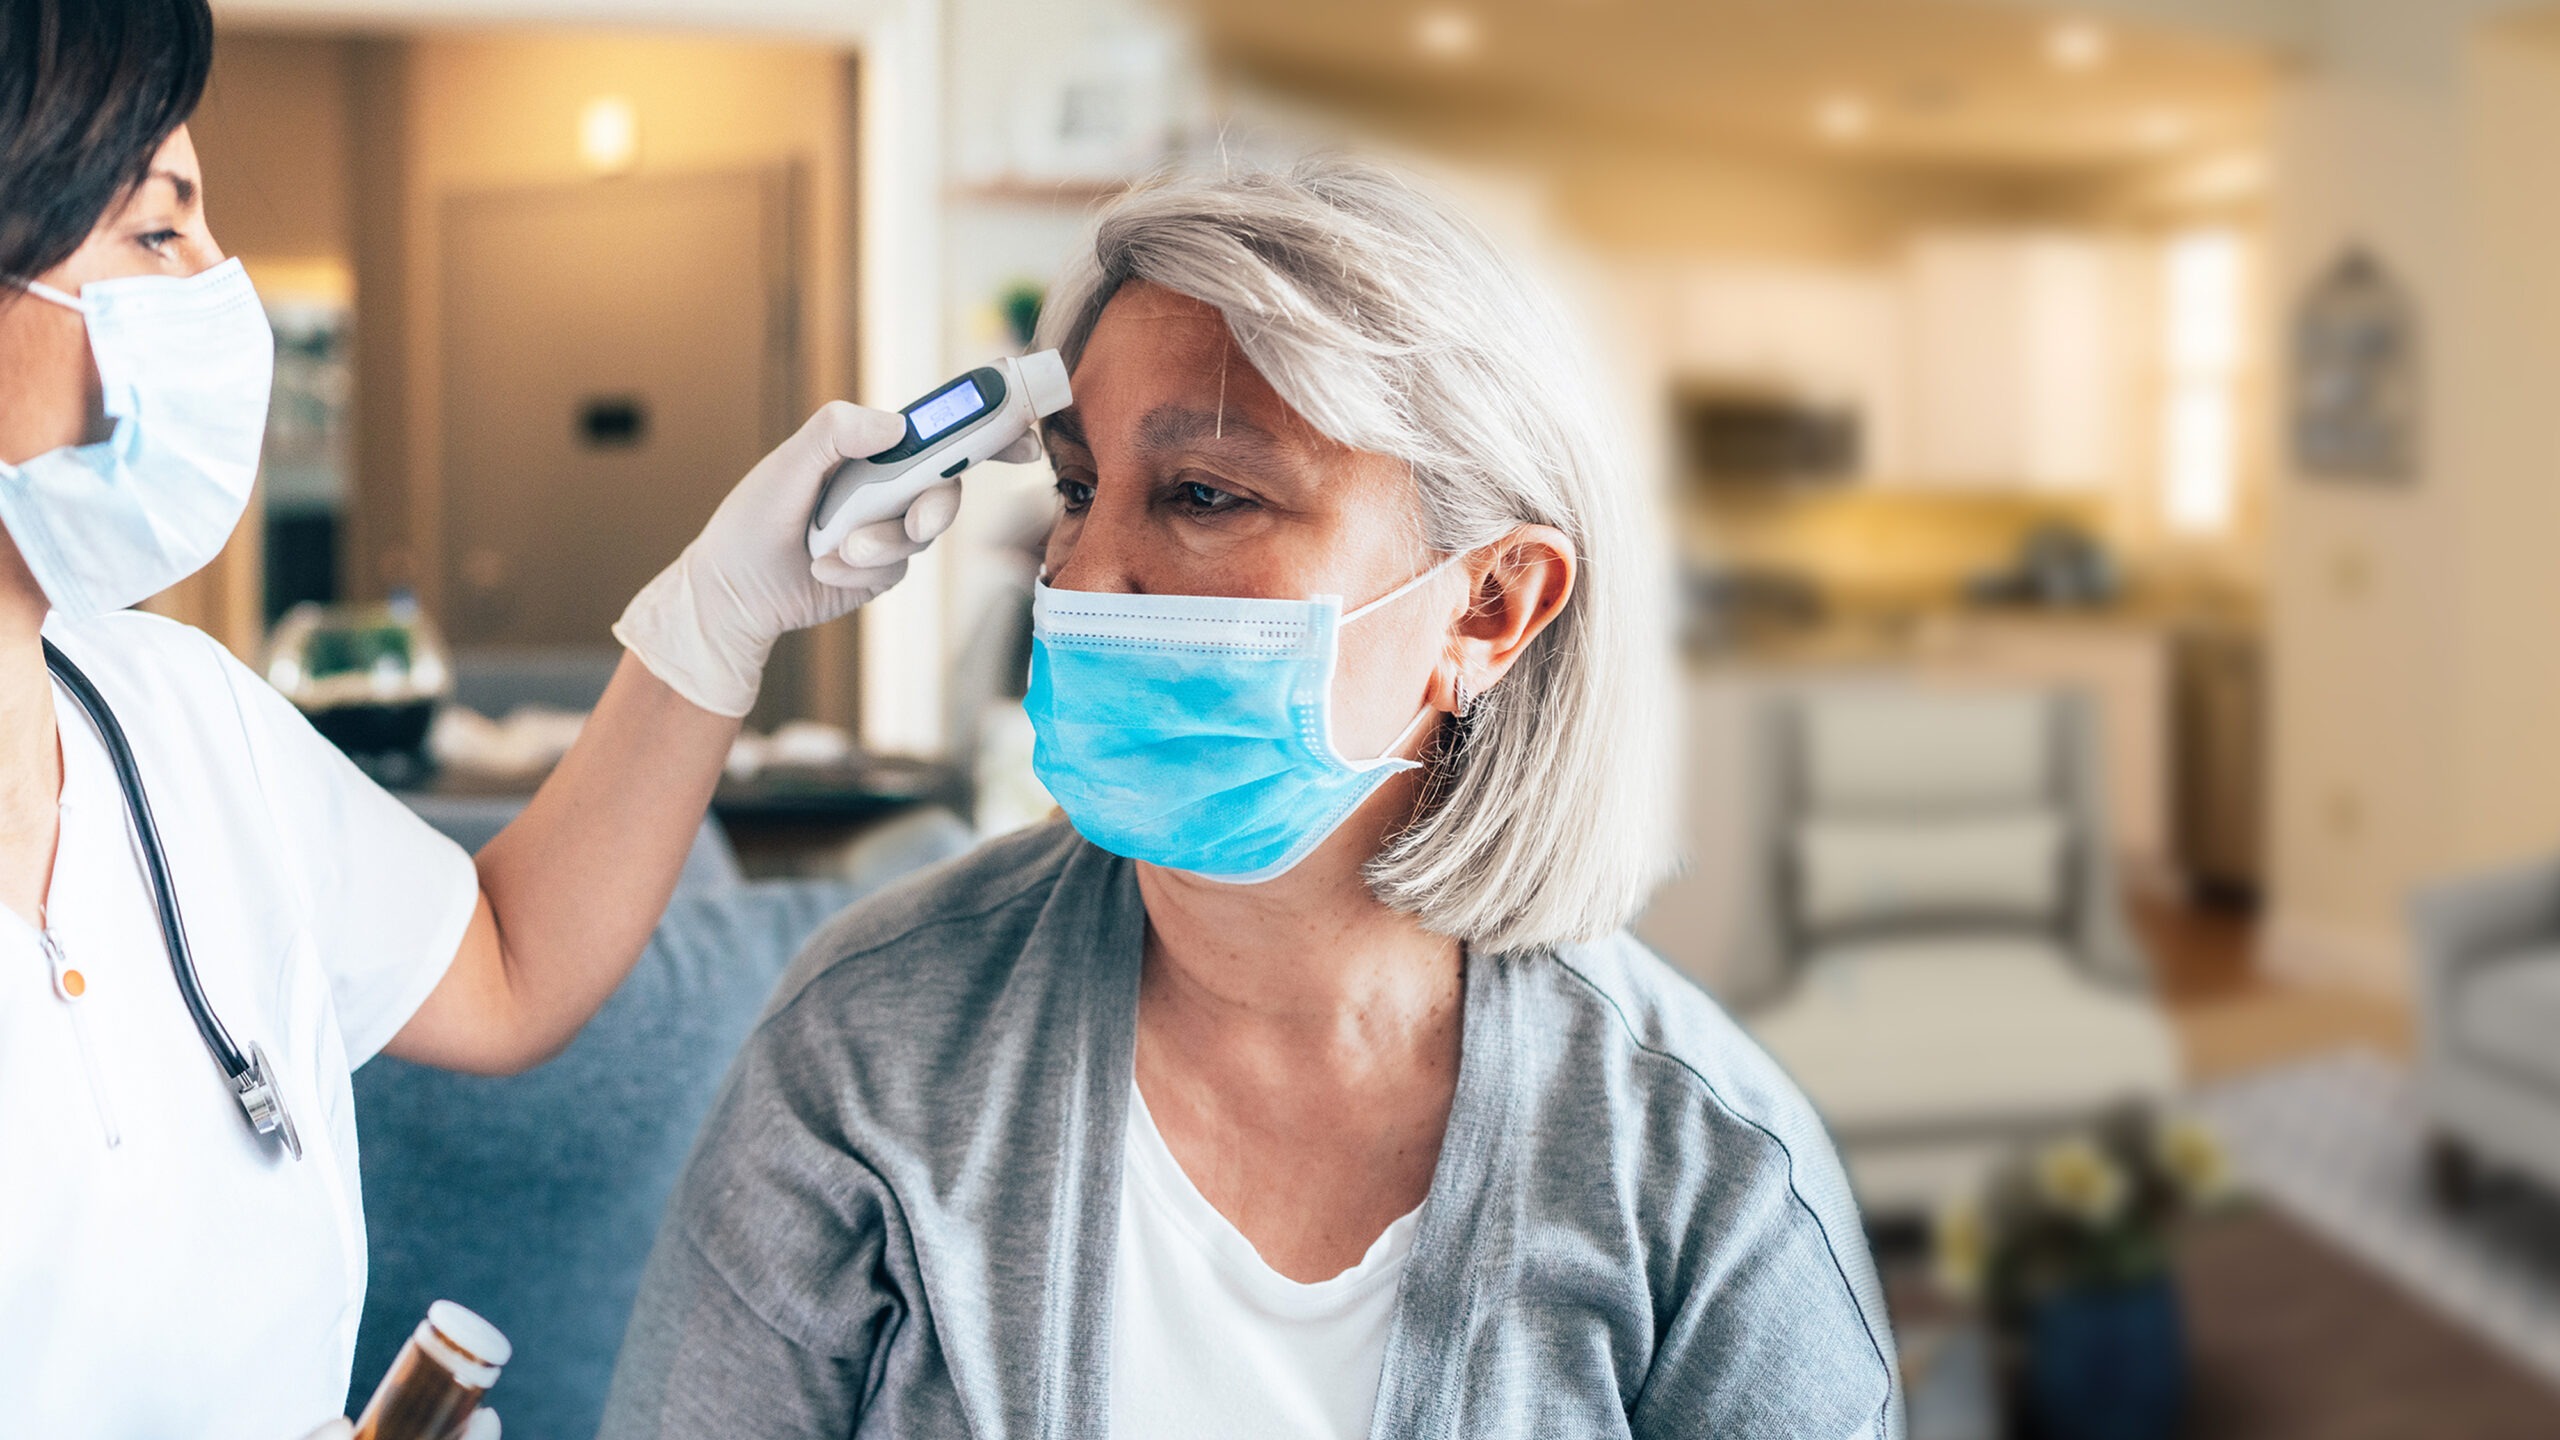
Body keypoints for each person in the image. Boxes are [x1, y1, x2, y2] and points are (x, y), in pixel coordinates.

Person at [599, 158, 1903, 1439]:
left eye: (1207, 494)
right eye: (1074, 486)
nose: (1081, 573)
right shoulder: (871, 1043)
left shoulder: (1706, 1174)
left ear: (1493, 604)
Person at [0, 2, 1029, 1435]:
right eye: (160, 232)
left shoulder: (172, 720)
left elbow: (504, 964)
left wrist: (714, 616)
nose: (220, 289)